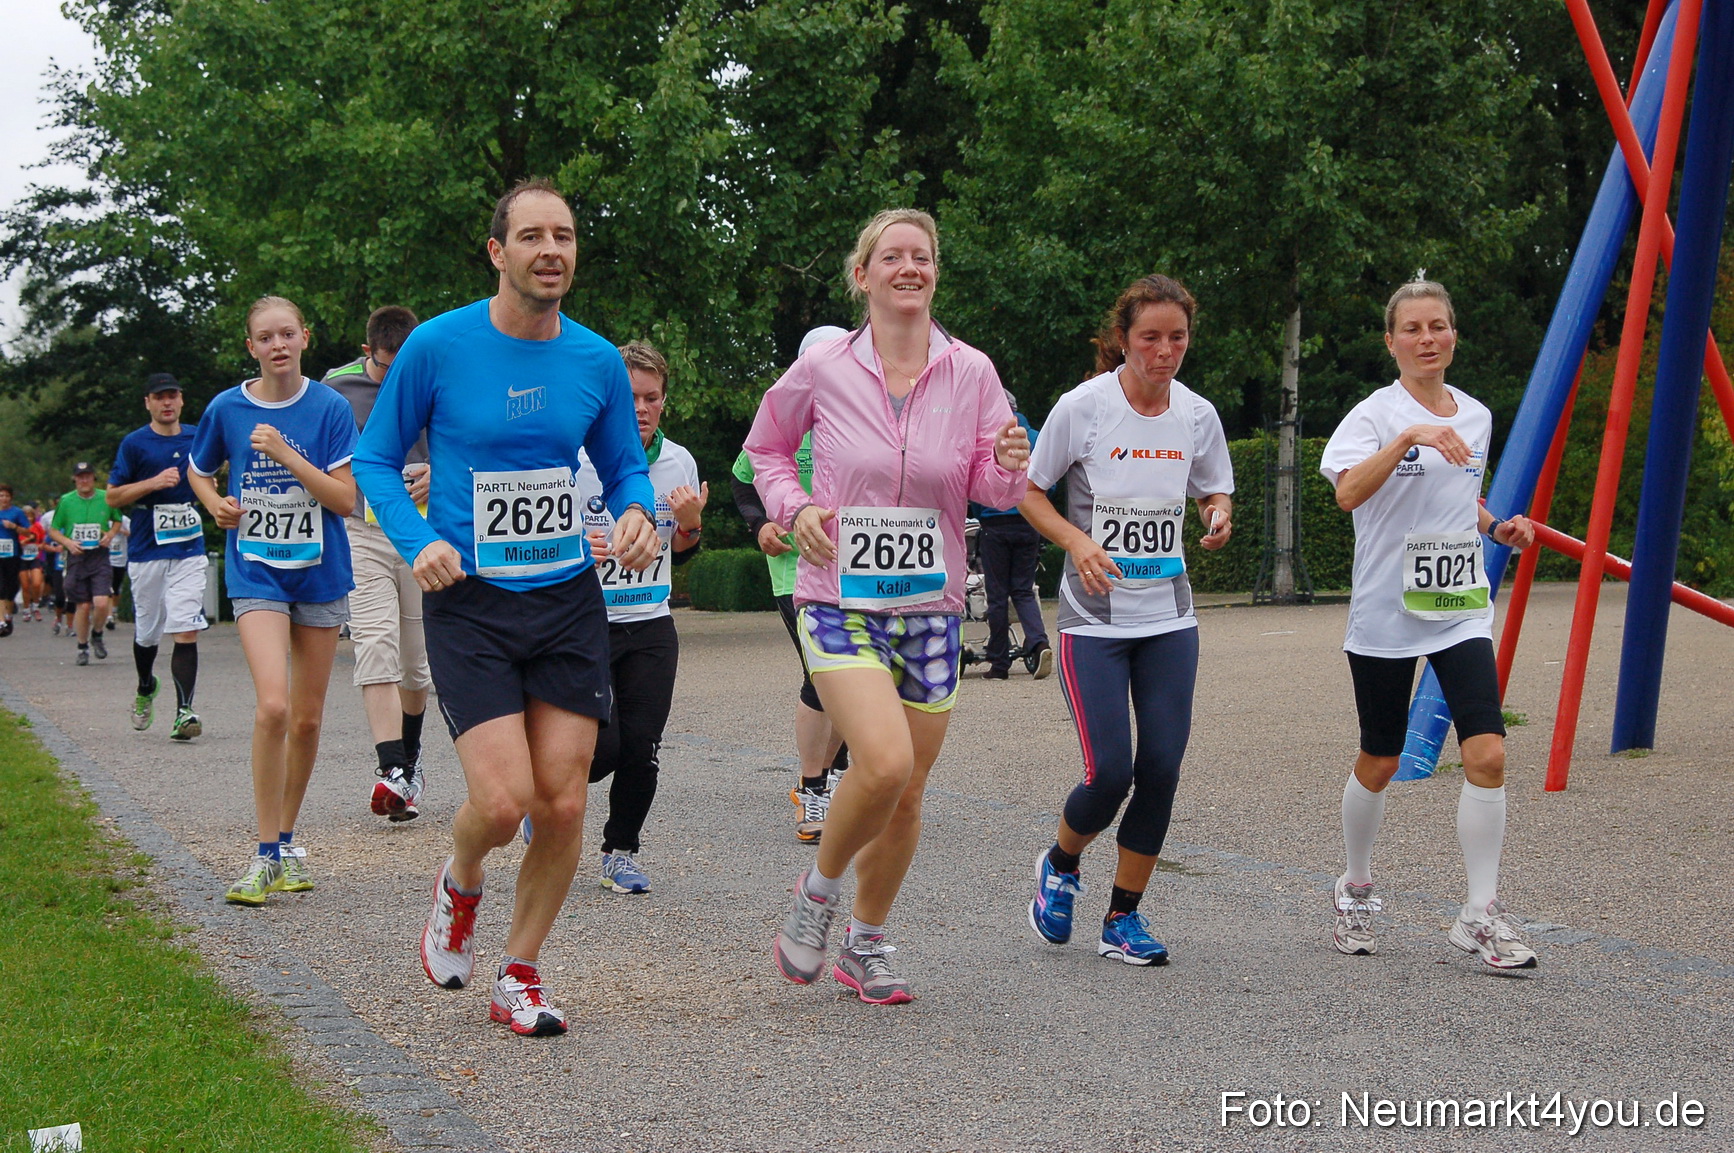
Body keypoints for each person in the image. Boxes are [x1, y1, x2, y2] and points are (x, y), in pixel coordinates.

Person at [353, 179, 658, 1037]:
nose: (550, 249)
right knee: (501, 803)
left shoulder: (596, 360)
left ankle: (518, 973)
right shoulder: (439, 347)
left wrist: (637, 511)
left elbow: (625, 466)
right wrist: (418, 541)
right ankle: (459, 878)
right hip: (470, 600)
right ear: (499, 251)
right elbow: (376, 460)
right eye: (532, 236)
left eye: (563, 235)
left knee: (562, 804)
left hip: (564, 598)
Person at [746, 208, 1030, 1005]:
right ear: (863, 274)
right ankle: (817, 895)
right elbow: (764, 448)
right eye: (893, 256)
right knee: (885, 758)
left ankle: (865, 942)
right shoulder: (825, 367)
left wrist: (1011, 463)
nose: (911, 267)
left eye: (924, 256)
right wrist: (793, 503)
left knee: (907, 790)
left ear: (936, 271)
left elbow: (992, 487)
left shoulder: (972, 371)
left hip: (931, 607)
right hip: (837, 593)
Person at [1319, 278, 1538, 970]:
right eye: (1412, 328)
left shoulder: (1475, 415)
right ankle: (1354, 885)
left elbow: (1461, 496)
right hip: (1386, 612)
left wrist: (1497, 524)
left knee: (1490, 754)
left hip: (1457, 609)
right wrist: (1410, 435)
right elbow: (1348, 492)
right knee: (1381, 758)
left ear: (1453, 334)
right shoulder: (1373, 416)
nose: (1426, 338)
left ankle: (1479, 911)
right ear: (1391, 341)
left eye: (1437, 325)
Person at [1021, 274, 1234, 966]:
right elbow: (1027, 493)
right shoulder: (1084, 407)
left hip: (1169, 616)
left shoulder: (1197, 414)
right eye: (1150, 337)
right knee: (1110, 770)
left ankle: (1123, 917)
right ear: (1122, 339)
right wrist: (1077, 541)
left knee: (1162, 767)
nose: (1164, 350)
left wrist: (1216, 512)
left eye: (1177, 337)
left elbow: (1212, 482)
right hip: (1094, 621)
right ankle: (1060, 863)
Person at [189, 296, 358, 906]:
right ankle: (263, 854)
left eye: (288, 333)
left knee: (308, 718)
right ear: (251, 347)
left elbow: (346, 500)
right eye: (266, 337)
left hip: (320, 573)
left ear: (305, 338)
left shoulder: (331, 407)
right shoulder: (226, 408)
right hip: (256, 569)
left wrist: (285, 454)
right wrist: (216, 506)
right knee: (273, 707)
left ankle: (286, 841)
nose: (278, 345)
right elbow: (199, 470)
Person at [555, 340, 705, 894]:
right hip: (584, 621)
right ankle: (538, 799)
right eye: (631, 396)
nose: (641, 409)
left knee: (642, 748)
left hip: (650, 621)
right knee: (601, 750)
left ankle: (619, 852)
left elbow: (683, 547)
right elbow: (540, 537)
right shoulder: (574, 457)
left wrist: (690, 526)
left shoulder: (678, 462)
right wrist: (579, 546)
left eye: (652, 398)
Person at [731, 325, 851, 844]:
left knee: (856, 676)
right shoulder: (784, 417)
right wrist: (760, 525)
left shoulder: (862, 418)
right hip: (793, 571)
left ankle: (842, 779)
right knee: (822, 675)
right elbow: (742, 477)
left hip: (859, 571)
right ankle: (813, 787)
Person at [321, 306, 434, 820]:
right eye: (389, 369)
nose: (398, 379)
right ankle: (389, 769)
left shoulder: (432, 374)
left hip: (420, 534)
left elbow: (466, 444)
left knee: (416, 666)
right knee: (374, 641)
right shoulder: (336, 388)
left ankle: (408, 763)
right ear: (368, 354)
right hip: (361, 531)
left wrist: (439, 470)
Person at [108, 372, 209, 740]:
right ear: (148, 403)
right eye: (158, 397)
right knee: (148, 633)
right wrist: (152, 483)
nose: (167, 403)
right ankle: (145, 684)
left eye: (172, 396)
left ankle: (185, 711)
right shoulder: (135, 444)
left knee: (185, 627)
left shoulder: (198, 436)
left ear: (181, 400)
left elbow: (216, 468)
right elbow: (112, 497)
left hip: (189, 547)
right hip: (147, 548)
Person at [972, 390, 1052, 680]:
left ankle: (999, 662)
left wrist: (982, 513)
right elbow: (1048, 482)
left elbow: (976, 482)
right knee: (1023, 588)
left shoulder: (987, 438)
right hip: (1029, 523)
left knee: (997, 594)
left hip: (995, 526)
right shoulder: (1036, 435)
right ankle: (1038, 641)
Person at [46, 462, 124, 665]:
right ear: (75, 479)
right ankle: (82, 647)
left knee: (100, 602)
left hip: (99, 555)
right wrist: (68, 543)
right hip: (77, 556)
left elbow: (117, 520)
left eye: (87, 476)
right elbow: (54, 530)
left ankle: (97, 634)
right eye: (80, 477)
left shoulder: (105, 498)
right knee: (83, 605)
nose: (84, 480)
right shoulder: (66, 501)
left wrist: (111, 535)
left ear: (93, 478)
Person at [0, 484, 31, 637]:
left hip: (12, 554)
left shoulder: (17, 512)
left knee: (10, 587)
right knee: (0, 587)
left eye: (6, 495)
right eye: (1, 496)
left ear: (10, 497)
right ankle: (0, 621)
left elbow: (28, 530)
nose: (4, 498)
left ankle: (8, 616)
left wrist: (14, 526)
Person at [18, 502, 47, 621]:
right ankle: (26, 609)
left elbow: (44, 539)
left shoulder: (37, 526)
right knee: (25, 585)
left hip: (35, 558)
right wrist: (24, 542)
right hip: (22, 559)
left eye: (29, 516)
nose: (28, 518)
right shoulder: (18, 528)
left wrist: (41, 545)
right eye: (25, 516)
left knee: (36, 583)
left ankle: (35, 606)